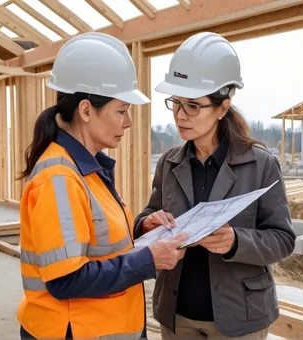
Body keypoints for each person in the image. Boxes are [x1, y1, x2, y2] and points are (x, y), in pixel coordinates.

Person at [17, 32, 187, 340]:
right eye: (121, 110)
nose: (128, 122)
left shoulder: (85, 168)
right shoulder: (59, 178)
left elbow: (95, 241)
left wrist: (141, 230)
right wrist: (147, 260)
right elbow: (65, 280)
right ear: (85, 111)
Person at [133, 32, 296, 339]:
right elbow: (149, 216)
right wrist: (146, 224)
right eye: (176, 104)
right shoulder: (169, 163)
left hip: (239, 317)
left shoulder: (261, 164)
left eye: (193, 106)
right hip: (177, 313)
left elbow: (283, 240)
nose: (180, 116)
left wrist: (235, 241)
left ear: (222, 108)